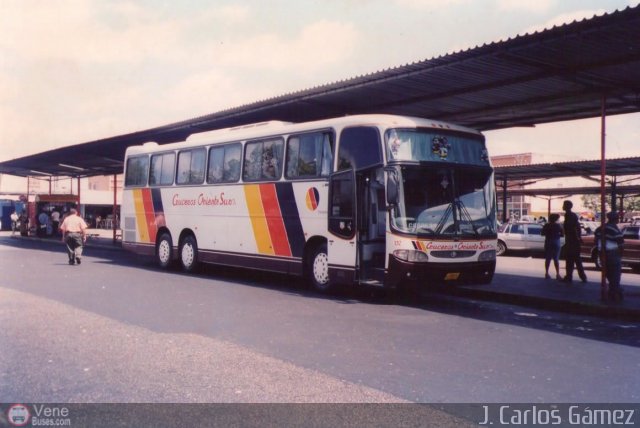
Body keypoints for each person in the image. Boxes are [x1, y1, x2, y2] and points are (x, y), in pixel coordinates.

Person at [595, 212, 625, 301]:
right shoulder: (615, 229)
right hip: (613, 253)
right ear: (615, 219)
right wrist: (620, 255)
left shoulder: (599, 229)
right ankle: (615, 292)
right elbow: (621, 244)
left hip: (602, 253)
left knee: (607, 272)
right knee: (615, 274)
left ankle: (614, 290)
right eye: (618, 218)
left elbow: (596, 240)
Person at [561, 200, 587, 283]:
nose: (563, 206)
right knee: (575, 259)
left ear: (567, 206)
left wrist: (577, 238)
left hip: (572, 241)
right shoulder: (570, 215)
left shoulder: (569, 215)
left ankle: (571, 277)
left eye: (564, 205)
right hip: (572, 241)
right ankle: (581, 277)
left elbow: (574, 228)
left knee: (571, 260)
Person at [541, 213, 563, 280]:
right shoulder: (558, 226)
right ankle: (557, 274)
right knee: (556, 259)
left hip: (548, 242)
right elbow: (562, 234)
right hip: (556, 241)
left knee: (548, 258)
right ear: (556, 219)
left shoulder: (546, 225)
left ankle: (547, 273)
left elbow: (542, 233)